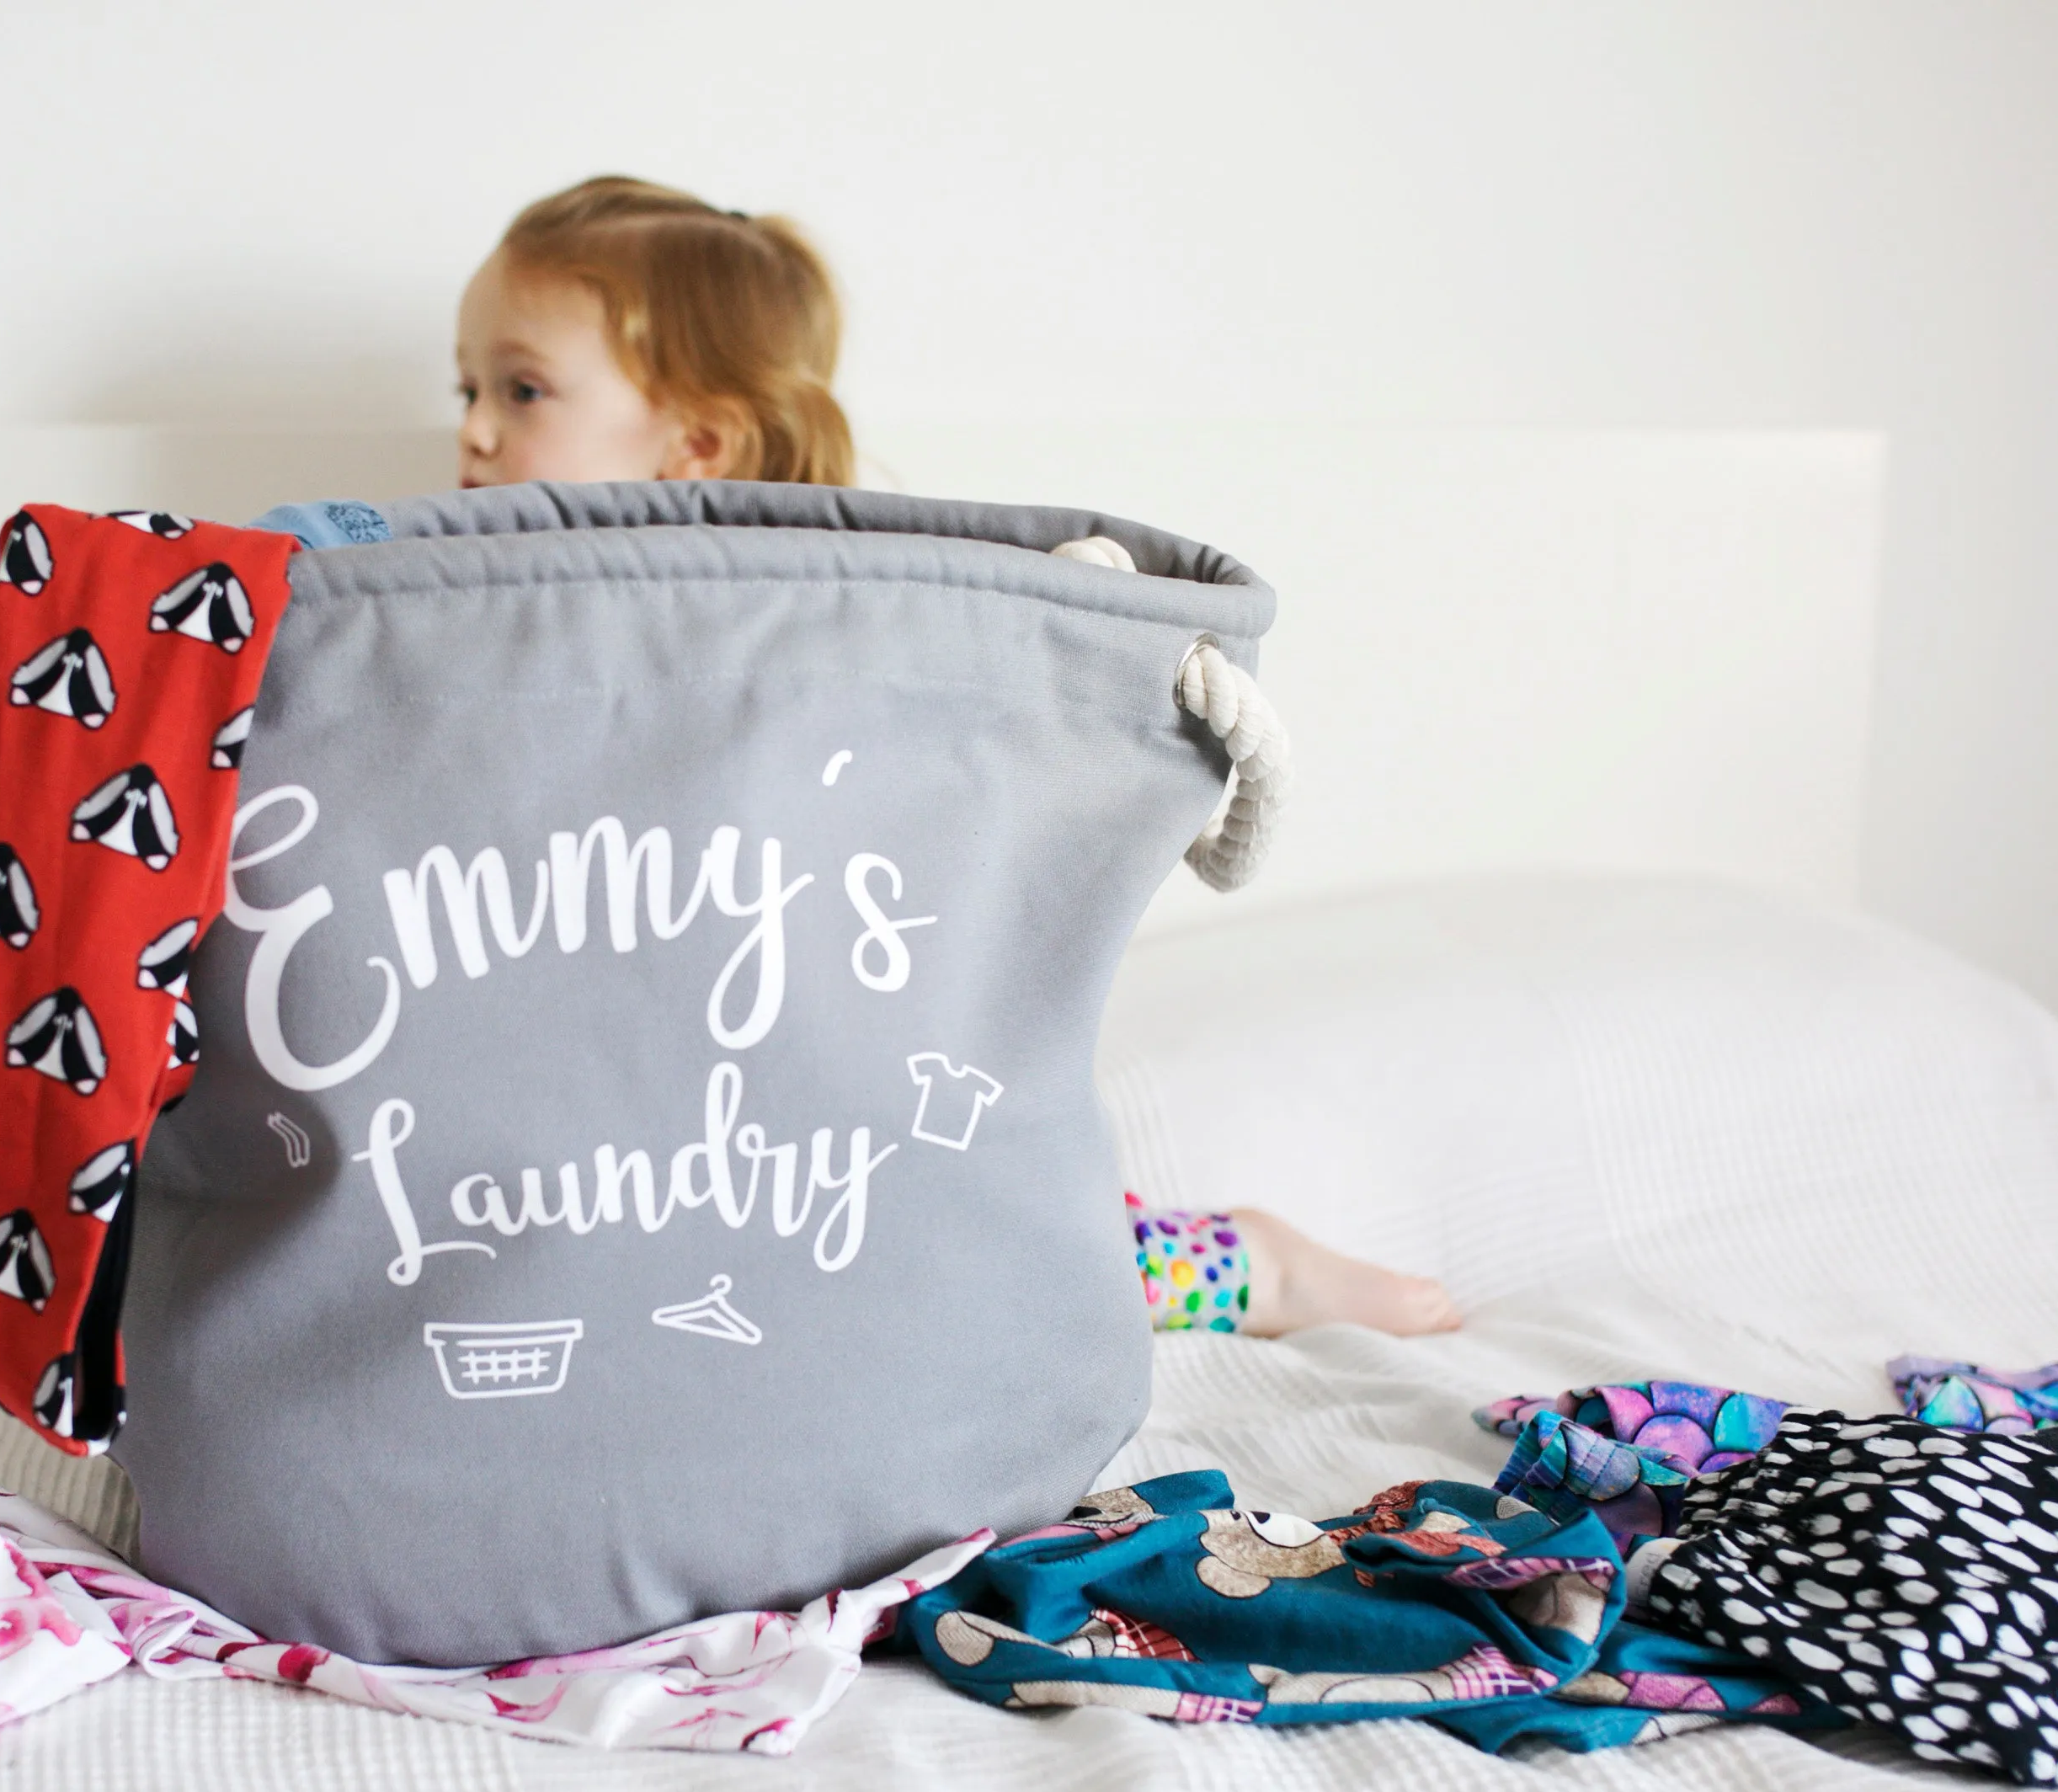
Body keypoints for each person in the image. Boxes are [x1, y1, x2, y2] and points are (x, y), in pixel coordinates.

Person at [448, 176, 1461, 1340]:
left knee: (978, 1232)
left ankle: (1254, 1269)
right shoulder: (481, 646)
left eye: (520, 389)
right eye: (468, 386)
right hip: (611, 1095)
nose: (471, 426)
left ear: (699, 442)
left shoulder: (851, 632)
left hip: (818, 1074)